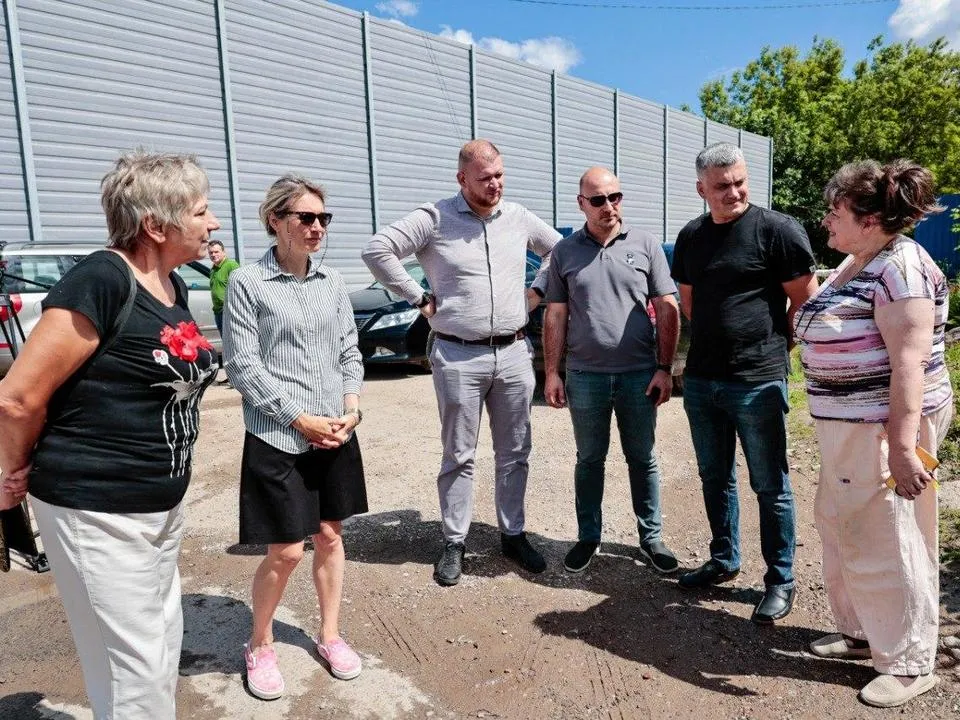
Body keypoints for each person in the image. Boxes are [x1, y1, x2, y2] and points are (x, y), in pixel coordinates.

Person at [0, 151, 220, 719]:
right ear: (156, 224)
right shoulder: (102, 278)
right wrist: (12, 471)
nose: (212, 222)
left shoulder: (171, 285)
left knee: (160, 646)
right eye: (200, 211)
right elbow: (19, 396)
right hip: (96, 507)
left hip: (157, 508)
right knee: (134, 671)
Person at [362, 139, 560, 587]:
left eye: (500, 175)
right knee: (459, 454)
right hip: (457, 354)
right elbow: (377, 250)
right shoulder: (434, 217)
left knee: (515, 452)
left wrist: (538, 292)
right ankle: (455, 541)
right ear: (461, 179)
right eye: (485, 178)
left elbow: (557, 251)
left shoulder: (518, 216)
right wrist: (417, 298)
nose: (495, 185)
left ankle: (513, 534)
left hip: (512, 353)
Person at [795, 160, 952, 708]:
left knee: (889, 536)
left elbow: (909, 365)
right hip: (846, 426)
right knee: (842, 526)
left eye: (834, 211)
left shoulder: (901, 269)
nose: (825, 220)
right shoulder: (856, 260)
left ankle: (910, 662)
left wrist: (904, 449)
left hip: (884, 429)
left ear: (868, 218)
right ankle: (865, 634)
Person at [223, 174, 367, 700]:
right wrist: (296, 417)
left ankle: (329, 635)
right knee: (285, 551)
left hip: (334, 432)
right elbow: (242, 365)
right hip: (277, 435)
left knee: (330, 536)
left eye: (323, 218)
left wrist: (351, 409)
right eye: (305, 217)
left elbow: (349, 351)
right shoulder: (247, 282)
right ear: (275, 221)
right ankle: (259, 643)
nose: (316, 228)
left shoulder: (332, 283)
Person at [670, 142, 817, 624]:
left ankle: (780, 579)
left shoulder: (778, 230)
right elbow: (689, 302)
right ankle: (725, 559)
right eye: (721, 186)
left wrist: (774, 350)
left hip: (758, 381)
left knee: (769, 484)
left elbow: (805, 303)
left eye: (739, 182)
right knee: (714, 476)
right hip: (703, 381)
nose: (732, 192)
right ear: (701, 190)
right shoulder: (691, 236)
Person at [543, 167, 680, 574]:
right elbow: (556, 315)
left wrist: (664, 368)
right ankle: (588, 538)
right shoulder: (565, 252)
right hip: (586, 377)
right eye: (599, 200)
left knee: (642, 458)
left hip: (639, 374)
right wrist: (553, 372)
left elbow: (668, 306)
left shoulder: (645, 244)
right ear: (581, 203)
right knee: (590, 459)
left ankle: (651, 538)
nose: (609, 207)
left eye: (615, 197)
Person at [207, 239, 239, 384]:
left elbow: (240, 286)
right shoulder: (213, 269)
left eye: (216, 252)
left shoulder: (231, 265)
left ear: (223, 252)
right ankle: (232, 375)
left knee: (234, 344)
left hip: (230, 311)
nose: (213, 255)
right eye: (211, 253)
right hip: (218, 312)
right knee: (226, 344)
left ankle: (239, 377)